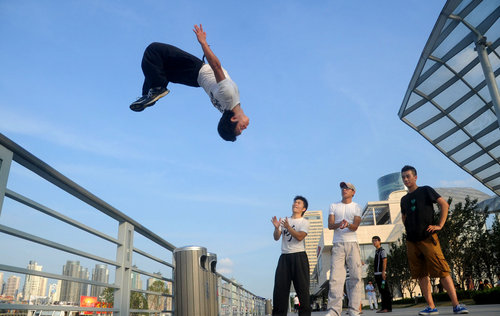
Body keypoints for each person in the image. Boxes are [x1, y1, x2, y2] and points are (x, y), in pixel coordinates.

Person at [129, 24, 249, 142]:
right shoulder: (225, 111)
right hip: (193, 79)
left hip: (194, 69)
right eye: (242, 129)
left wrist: (203, 42)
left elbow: (216, 67)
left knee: (154, 50)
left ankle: (156, 90)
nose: (244, 128)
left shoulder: (229, 96)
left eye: (241, 128)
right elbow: (224, 124)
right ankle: (149, 94)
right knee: (160, 68)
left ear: (233, 119)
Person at [400, 165, 468, 315]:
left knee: (442, 270)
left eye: (408, 176)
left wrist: (440, 225)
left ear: (415, 177)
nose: (405, 179)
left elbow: (444, 204)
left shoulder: (425, 190)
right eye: (403, 177)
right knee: (420, 274)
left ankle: (456, 305)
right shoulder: (403, 199)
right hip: (411, 241)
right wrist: (410, 229)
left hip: (428, 238)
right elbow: (404, 217)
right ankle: (431, 307)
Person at [325, 182, 362, 316]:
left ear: (353, 192)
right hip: (338, 244)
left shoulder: (356, 207)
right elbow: (330, 225)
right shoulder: (334, 206)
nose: (344, 190)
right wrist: (339, 224)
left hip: (352, 243)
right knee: (335, 278)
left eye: (347, 188)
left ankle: (354, 310)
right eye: (342, 188)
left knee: (355, 276)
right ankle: (334, 310)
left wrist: (348, 224)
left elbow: (356, 226)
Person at [271, 196, 311, 316]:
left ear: (303, 208)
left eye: (298, 203)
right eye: (294, 202)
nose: (295, 204)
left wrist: (288, 227)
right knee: (279, 291)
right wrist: (277, 227)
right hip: (284, 257)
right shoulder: (284, 220)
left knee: (303, 291)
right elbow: (276, 237)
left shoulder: (304, 222)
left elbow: (299, 237)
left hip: (299, 257)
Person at [372, 236, 392, 313]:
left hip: (381, 274)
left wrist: (383, 271)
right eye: (373, 241)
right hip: (377, 274)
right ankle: (383, 307)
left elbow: (384, 260)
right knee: (381, 291)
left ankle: (387, 308)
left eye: (376, 241)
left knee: (385, 290)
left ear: (379, 241)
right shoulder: (376, 251)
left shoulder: (382, 251)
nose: (374, 242)